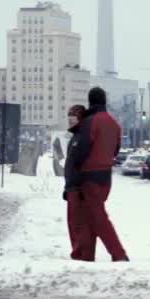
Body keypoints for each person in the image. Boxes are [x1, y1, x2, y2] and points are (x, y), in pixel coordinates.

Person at [65, 87, 128, 262]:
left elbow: (80, 151)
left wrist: (73, 177)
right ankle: (85, 256)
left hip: (88, 177)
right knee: (90, 216)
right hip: (106, 178)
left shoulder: (89, 122)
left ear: (90, 101)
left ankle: (119, 254)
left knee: (97, 217)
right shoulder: (114, 123)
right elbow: (116, 150)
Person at [62, 105, 88, 259]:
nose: (70, 122)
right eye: (69, 119)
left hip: (78, 188)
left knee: (77, 223)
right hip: (72, 187)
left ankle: (80, 253)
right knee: (72, 223)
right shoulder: (75, 137)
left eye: (73, 119)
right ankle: (77, 251)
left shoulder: (83, 137)